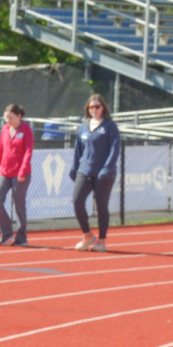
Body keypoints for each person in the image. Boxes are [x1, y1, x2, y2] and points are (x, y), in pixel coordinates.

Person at [69, 94, 122, 252]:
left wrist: (107, 168)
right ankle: (87, 235)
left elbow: (115, 149)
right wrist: (74, 168)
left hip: (104, 173)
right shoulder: (83, 126)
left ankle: (102, 241)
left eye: (97, 107)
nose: (94, 110)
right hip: (85, 170)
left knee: (101, 206)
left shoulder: (110, 126)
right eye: (91, 107)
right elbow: (78, 150)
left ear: (103, 108)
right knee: (77, 200)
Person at [0, 103, 34, 247]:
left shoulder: (26, 130)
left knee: (19, 205)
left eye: (11, 118)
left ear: (19, 116)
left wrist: (22, 170)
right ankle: (6, 234)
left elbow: (28, 151)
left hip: (20, 174)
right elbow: (1, 149)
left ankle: (22, 238)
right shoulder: (5, 129)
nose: (8, 121)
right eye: (6, 118)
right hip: (4, 171)